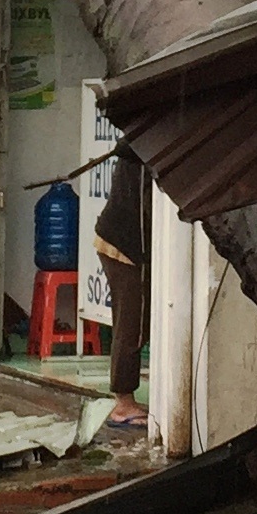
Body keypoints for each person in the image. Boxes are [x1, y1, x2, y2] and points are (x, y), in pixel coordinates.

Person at [95, 146, 153, 435]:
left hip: (114, 237)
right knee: (132, 320)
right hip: (125, 246)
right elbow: (146, 212)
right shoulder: (145, 152)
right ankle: (123, 405)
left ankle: (125, 397)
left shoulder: (137, 145)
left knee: (131, 318)